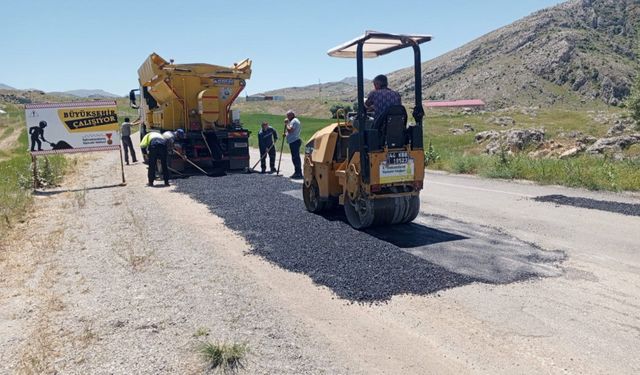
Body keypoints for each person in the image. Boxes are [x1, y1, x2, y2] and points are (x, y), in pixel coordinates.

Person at [284, 110, 303, 179]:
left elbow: (290, 130)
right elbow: (291, 132)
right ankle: (297, 172)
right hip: (293, 141)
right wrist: (286, 134)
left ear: (291, 115)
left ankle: (298, 172)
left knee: (295, 158)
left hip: (294, 141)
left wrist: (286, 124)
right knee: (295, 157)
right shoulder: (293, 121)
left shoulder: (294, 121)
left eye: (288, 116)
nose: (287, 117)